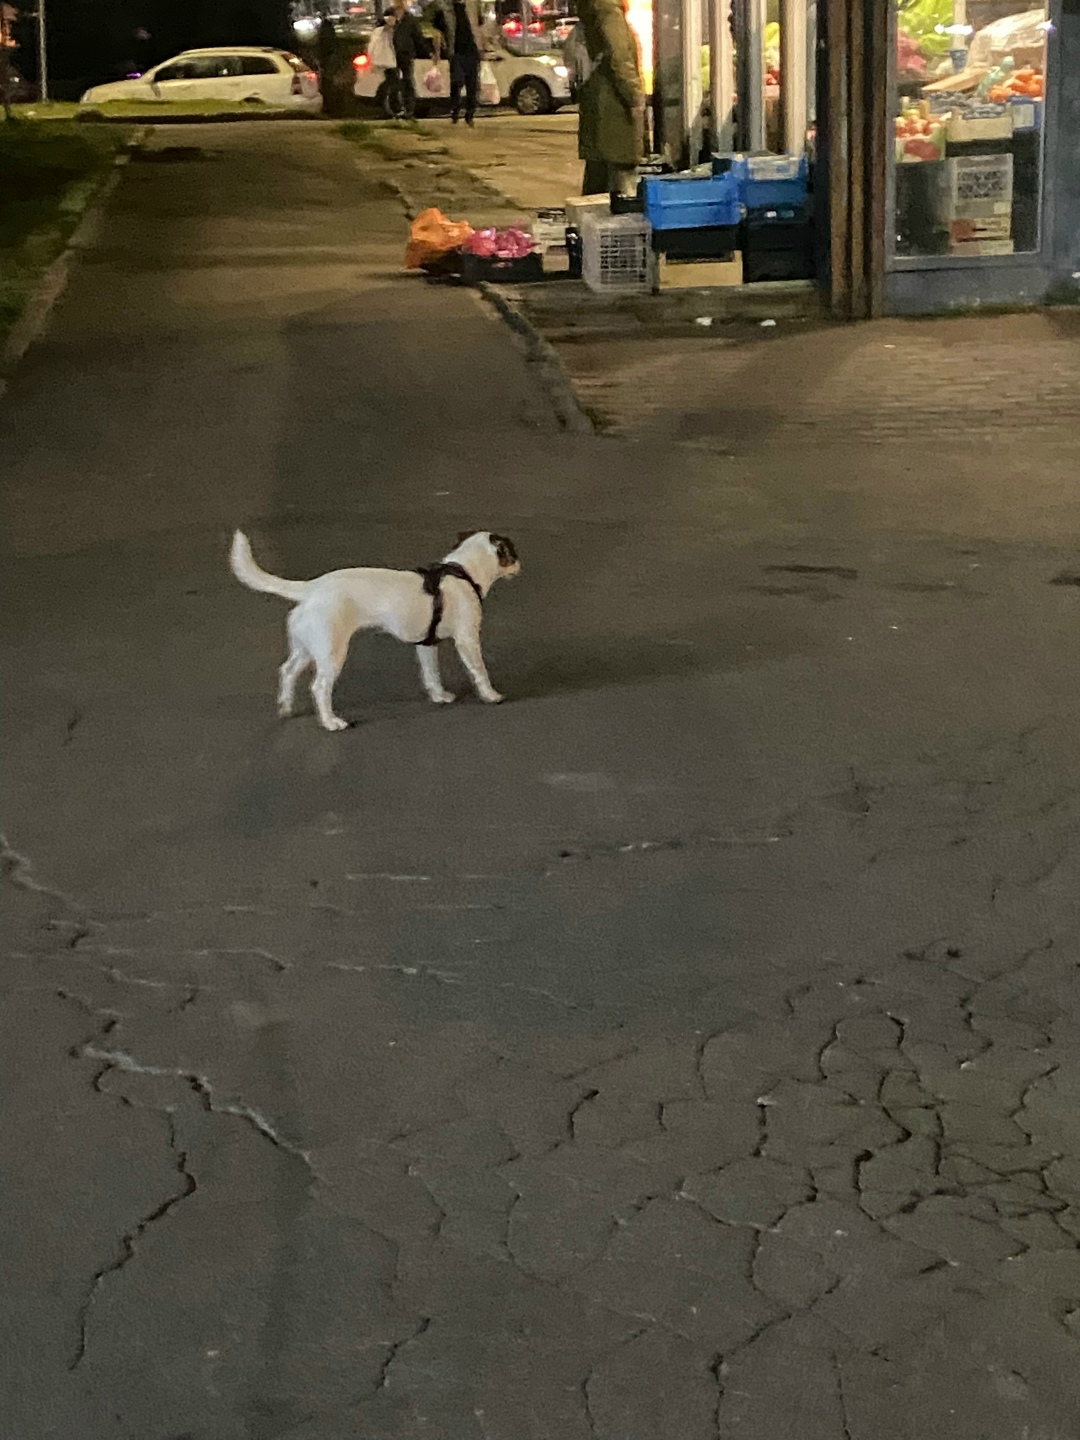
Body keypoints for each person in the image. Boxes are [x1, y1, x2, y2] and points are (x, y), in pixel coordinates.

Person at [575, 0, 646, 198]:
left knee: (598, 179)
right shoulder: (608, 10)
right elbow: (619, 56)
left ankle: (589, 224)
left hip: (600, 103)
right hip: (613, 106)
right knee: (619, 182)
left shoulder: (596, 9)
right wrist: (634, 95)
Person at [433, 0, 485, 126]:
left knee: (472, 85)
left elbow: (479, 26)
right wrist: (437, 52)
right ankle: (455, 111)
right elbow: (438, 32)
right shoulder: (444, 9)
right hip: (456, 52)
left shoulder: (473, 5)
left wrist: (483, 46)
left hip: (472, 52)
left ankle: (470, 114)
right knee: (457, 82)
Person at [392, 0, 426, 118]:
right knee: (393, 81)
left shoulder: (410, 20)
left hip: (405, 54)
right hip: (391, 54)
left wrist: (427, 52)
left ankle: (409, 108)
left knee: (407, 80)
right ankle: (397, 107)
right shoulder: (389, 18)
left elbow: (418, 37)